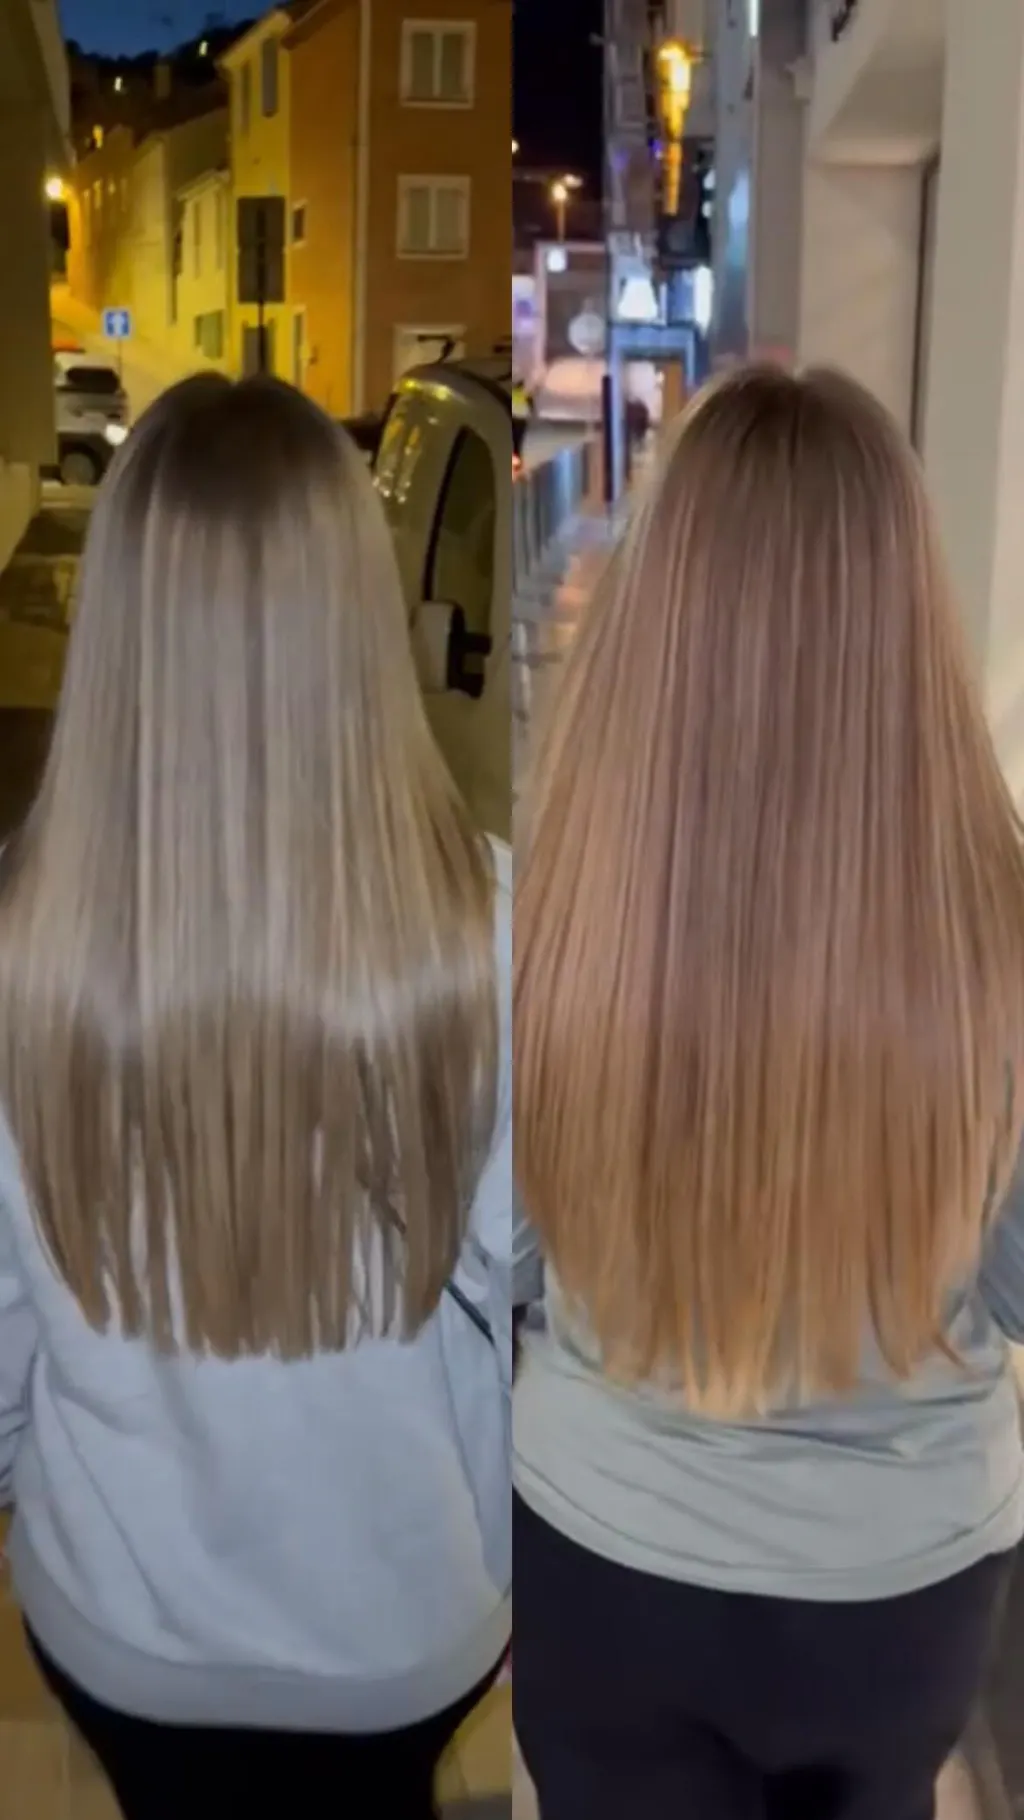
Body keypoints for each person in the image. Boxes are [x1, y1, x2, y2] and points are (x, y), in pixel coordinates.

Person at [0, 374, 525, 1819]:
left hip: (124, 1625)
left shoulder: (23, 944)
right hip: (407, 1631)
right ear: (356, 615)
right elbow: (531, 1292)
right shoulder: (492, 931)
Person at [513, 364, 1024, 1820]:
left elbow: (511, 1258)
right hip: (902, 1585)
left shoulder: (552, 908)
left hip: (607, 1554)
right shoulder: (1003, 924)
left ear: (657, 610)